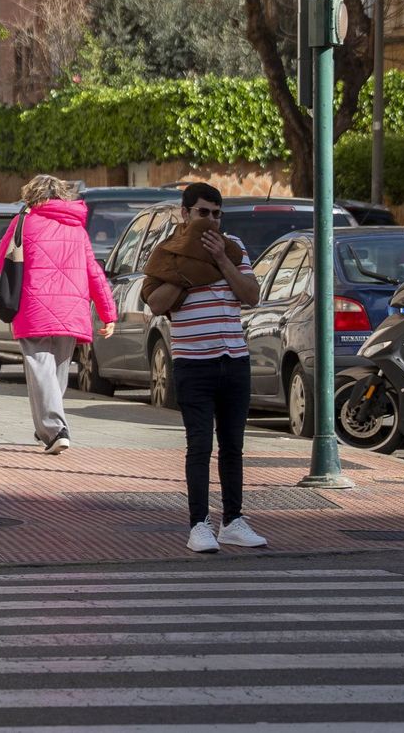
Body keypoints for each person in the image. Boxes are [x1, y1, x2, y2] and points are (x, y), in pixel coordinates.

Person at [145, 183, 266, 554]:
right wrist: (188, 272)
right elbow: (156, 303)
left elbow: (251, 294)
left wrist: (221, 262)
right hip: (193, 361)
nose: (210, 220)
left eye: (216, 214)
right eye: (202, 213)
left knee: (233, 446)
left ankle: (233, 521)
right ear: (185, 214)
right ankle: (199, 524)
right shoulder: (168, 254)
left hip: (235, 358)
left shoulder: (234, 248)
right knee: (200, 445)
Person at [0, 174, 117, 454]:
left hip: (33, 308)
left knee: (40, 368)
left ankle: (54, 429)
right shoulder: (77, 228)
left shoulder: (23, 222)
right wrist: (108, 312)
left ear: (31, 194)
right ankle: (47, 429)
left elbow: (1, 262)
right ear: (62, 195)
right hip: (71, 310)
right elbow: (94, 272)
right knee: (57, 372)